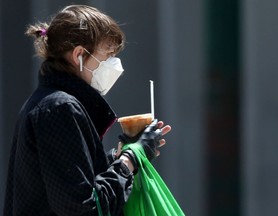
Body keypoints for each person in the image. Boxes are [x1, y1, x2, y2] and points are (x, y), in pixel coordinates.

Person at [3, 4, 171, 216]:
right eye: (108, 54)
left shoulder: (47, 102)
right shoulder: (60, 108)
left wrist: (120, 155)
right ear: (79, 55)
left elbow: (72, 181)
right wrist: (130, 159)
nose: (114, 64)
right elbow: (83, 207)